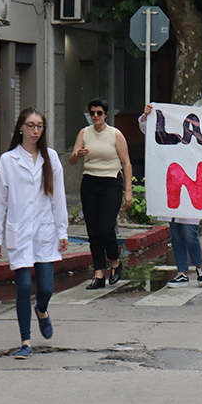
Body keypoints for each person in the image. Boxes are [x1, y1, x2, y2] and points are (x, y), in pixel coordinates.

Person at [0, 108, 68, 359]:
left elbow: (59, 198)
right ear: (21, 128)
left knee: (46, 287)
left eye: (40, 126)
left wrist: (62, 230)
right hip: (19, 232)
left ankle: (42, 310)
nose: (35, 131)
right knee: (24, 286)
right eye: (31, 125)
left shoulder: (51, 158)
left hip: (45, 233)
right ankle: (25, 341)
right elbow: (0, 201)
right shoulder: (8, 160)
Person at [139, 105, 202, 288]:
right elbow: (150, 132)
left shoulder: (197, 141)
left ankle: (199, 266)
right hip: (172, 188)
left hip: (191, 188)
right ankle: (182, 272)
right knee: (176, 233)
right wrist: (146, 116)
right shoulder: (168, 139)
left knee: (189, 232)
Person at [69, 98, 132, 290]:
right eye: (92, 113)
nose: (95, 116)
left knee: (106, 228)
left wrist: (128, 191)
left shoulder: (115, 134)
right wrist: (78, 154)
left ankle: (115, 261)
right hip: (89, 182)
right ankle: (98, 273)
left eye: (99, 113)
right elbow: (72, 160)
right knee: (93, 231)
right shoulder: (84, 133)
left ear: (105, 115)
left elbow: (126, 163)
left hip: (111, 182)